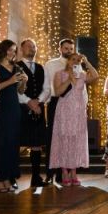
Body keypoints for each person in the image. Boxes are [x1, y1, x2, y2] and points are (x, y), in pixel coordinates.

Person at [50, 53, 99, 185]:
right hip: (64, 111)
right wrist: (69, 79)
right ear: (68, 61)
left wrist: (87, 62)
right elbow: (57, 92)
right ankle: (64, 171)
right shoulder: (59, 74)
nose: (75, 62)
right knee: (65, 139)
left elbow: (95, 76)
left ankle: (74, 172)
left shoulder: (82, 74)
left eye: (78, 60)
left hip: (78, 111)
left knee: (76, 140)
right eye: (73, 60)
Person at [44, 39, 81, 186]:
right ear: (60, 49)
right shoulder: (51, 64)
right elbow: (47, 86)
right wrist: (43, 102)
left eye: (71, 49)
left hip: (72, 105)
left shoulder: (77, 66)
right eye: (66, 48)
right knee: (53, 138)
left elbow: (81, 88)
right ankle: (49, 173)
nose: (68, 51)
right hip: (55, 102)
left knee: (70, 139)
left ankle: (63, 174)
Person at [17, 39, 50, 189]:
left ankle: (36, 177)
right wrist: (29, 102)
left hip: (38, 108)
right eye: (29, 46)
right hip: (22, 109)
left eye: (34, 46)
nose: (32, 48)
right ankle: (11, 177)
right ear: (22, 49)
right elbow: (16, 90)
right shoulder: (17, 66)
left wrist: (38, 101)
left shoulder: (40, 67)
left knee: (37, 144)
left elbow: (47, 88)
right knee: (17, 143)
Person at [0, 40, 27, 192]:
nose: (12, 53)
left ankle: (8, 177)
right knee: (1, 143)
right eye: (9, 50)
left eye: (14, 50)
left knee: (12, 144)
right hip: (0, 107)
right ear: (3, 50)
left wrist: (23, 82)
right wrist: (11, 80)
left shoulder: (17, 67)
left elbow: (20, 91)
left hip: (14, 108)